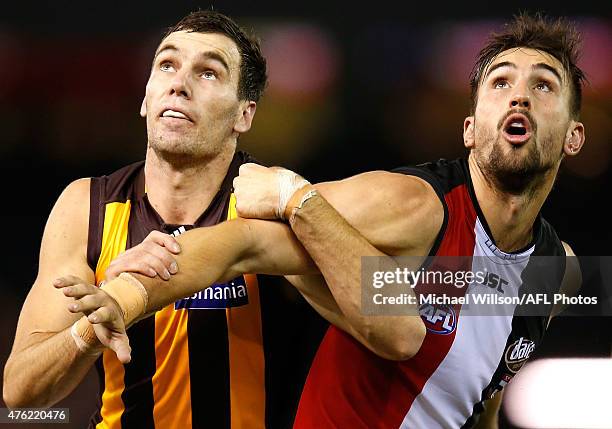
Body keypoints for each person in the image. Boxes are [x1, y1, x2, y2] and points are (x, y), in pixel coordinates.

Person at [37, 12, 586, 428]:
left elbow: (483, 399)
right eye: (500, 83)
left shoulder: (558, 274)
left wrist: (295, 198)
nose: (520, 97)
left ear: (573, 136)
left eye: (543, 86)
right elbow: (243, 239)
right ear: (469, 127)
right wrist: (126, 297)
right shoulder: (412, 205)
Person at [0, 9, 300, 429]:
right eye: (167, 65)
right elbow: (19, 394)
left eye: (209, 73)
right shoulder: (88, 206)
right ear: (145, 98)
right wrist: (93, 325)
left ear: (243, 115)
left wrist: (306, 208)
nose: (179, 84)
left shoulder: (272, 201)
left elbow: (386, 309)